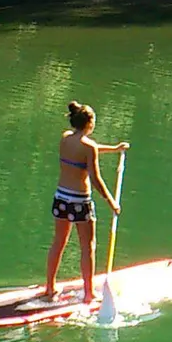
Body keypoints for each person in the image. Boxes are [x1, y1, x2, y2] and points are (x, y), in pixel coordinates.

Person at [45, 101, 129, 304]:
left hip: (61, 198)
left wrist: (114, 149)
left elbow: (88, 148)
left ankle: (50, 287)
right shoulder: (88, 147)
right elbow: (96, 180)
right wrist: (112, 203)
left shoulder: (65, 139)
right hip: (79, 202)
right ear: (90, 123)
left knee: (58, 242)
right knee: (87, 246)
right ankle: (89, 294)